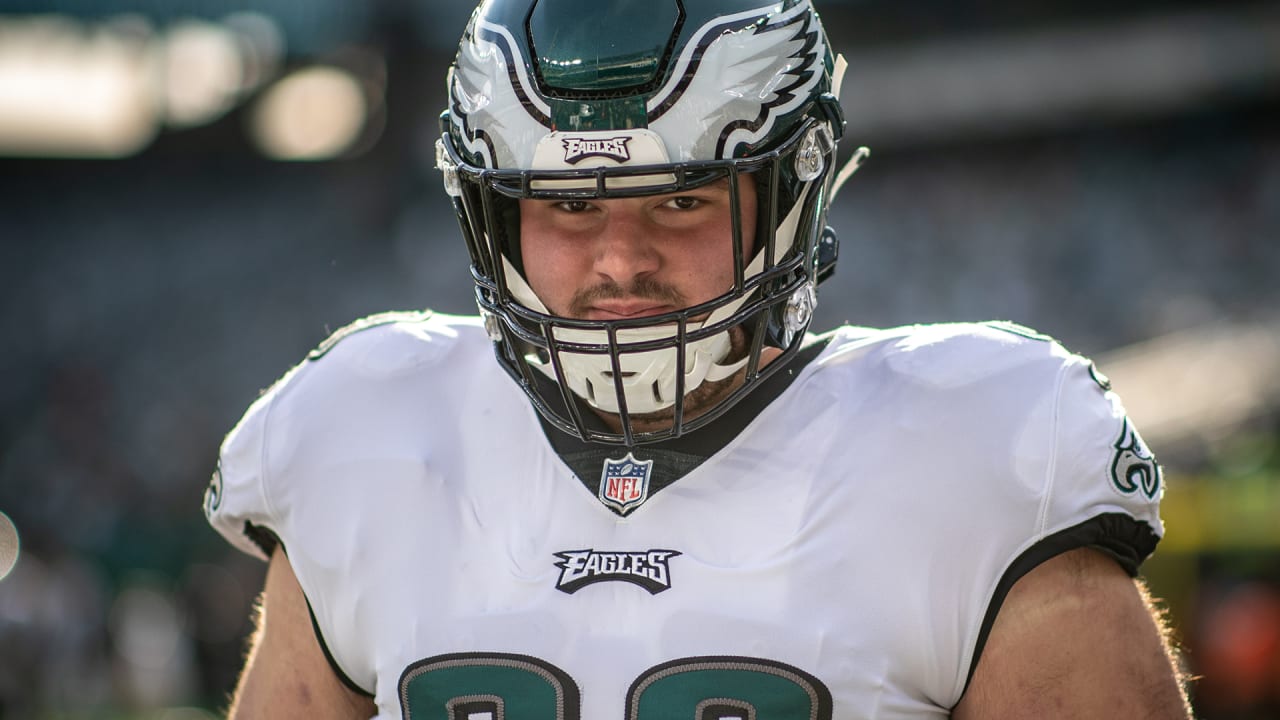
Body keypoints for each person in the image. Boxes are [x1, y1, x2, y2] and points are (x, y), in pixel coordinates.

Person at [204, 0, 1193, 716]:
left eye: (679, 200)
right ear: (495, 214)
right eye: (568, 204)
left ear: (785, 194)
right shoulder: (371, 425)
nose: (620, 257)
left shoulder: (976, 447)